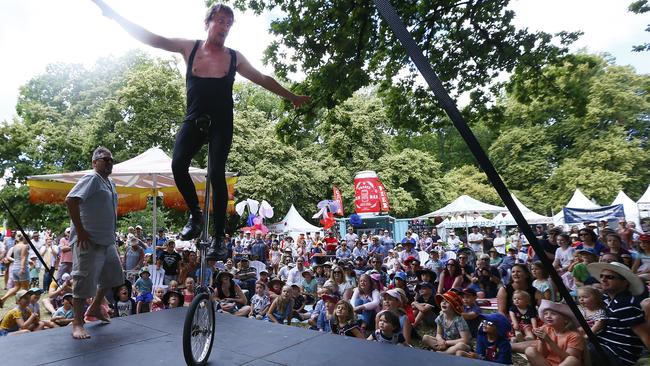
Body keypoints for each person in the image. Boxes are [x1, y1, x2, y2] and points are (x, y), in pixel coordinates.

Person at [90, 1, 309, 261]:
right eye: (220, 21)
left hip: (222, 122)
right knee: (178, 164)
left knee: (216, 174)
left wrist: (291, 96)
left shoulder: (234, 57)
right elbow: (152, 38)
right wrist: (115, 16)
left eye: (228, 24)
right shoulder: (189, 47)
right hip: (194, 118)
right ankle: (195, 214)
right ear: (207, 23)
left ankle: (218, 238)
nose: (224, 27)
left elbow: (262, 78)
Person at [64, 146, 124, 339]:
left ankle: (96, 306)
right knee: (82, 281)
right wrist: (80, 231)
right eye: (105, 159)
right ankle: (77, 323)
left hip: (107, 240)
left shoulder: (110, 183)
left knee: (114, 276)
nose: (109, 162)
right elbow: (71, 200)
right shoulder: (91, 178)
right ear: (94, 162)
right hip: (87, 240)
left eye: (111, 160)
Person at [586, 261, 650, 366]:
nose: (603, 279)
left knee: (573, 347)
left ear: (625, 282)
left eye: (610, 277)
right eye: (602, 276)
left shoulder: (626, 304)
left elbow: (645, 335)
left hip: (616, 355)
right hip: (603, 348)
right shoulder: (609, 300)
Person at [524, 300, 584, 366]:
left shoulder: (574, 336)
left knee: (572, 360)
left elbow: (567, 358)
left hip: (564, 364)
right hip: (547, 364)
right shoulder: (545, 329)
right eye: (546, 313)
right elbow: (543, 355)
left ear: (566, 320)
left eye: (553, 314)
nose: (548, 316)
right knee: (530, 350)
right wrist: (542, 341)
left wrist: (549, 341)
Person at [422, 290, 471, 354]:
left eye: (447, 302)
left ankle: (443, 353)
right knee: (425, 338)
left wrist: (446, 342)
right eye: (442, 301)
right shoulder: (441, 317)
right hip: (445, 343)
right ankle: (446, 352)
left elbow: (465, 340)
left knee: (461, 346)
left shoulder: (458, 320)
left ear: (453, 305)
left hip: (457, 344)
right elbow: (438, 334)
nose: (443, 303)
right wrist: (440, 340)